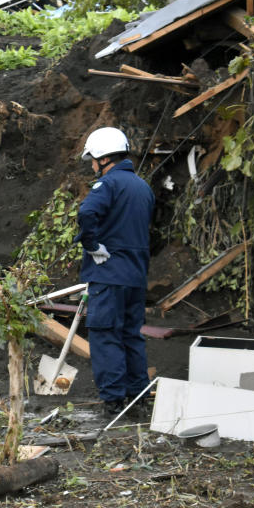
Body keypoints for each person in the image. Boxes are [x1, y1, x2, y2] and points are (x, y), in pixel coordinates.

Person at [76, 127, 155, 417]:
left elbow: (86, 213)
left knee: (105, 334)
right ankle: (139, 399)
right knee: (132, 335)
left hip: (108, 275)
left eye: (93, 161)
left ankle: (113, 402)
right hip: (136, 276)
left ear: (103, 157)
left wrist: (91, 243)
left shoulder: (107, 185)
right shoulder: (142, 186)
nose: (93, 167)